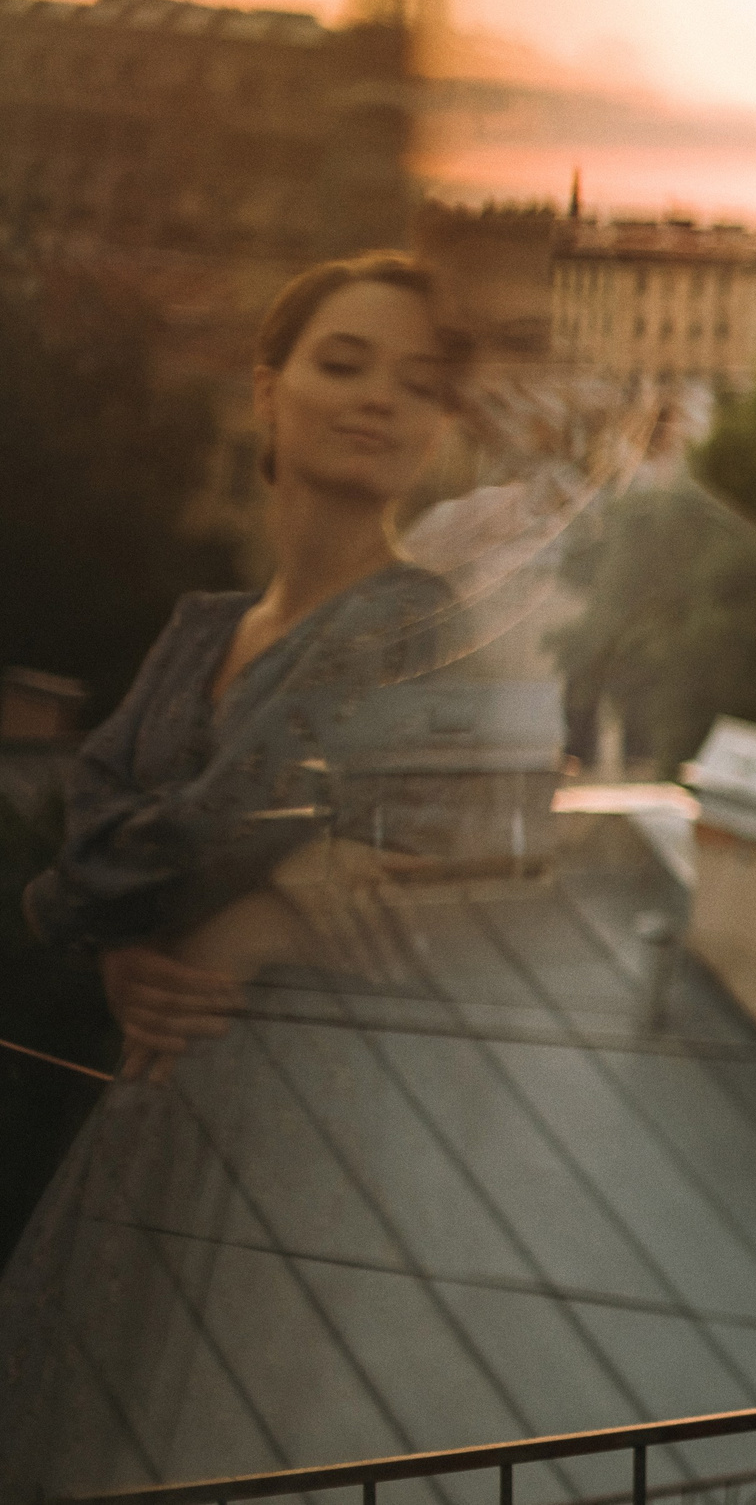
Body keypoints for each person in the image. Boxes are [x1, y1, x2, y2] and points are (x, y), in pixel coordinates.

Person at [0, 252, 470, 1496]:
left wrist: (244, 933)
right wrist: (123, 960)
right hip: (132, 1117)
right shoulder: (198, 631)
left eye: (417, 383)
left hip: (309, 1145)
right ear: (267, 395)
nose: (381, 399)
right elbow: (91, 831)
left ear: (435, 431)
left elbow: (475, 840)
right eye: (344, 362)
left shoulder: (431, 623)